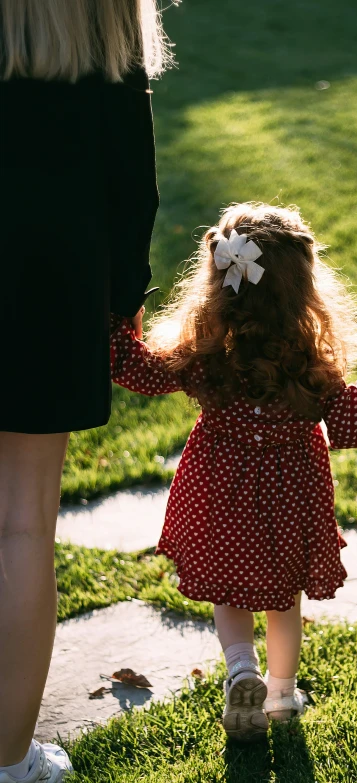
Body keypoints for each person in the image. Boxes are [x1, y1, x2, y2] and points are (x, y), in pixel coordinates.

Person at [110, 203, 357, 742]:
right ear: (302, 287)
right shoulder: (311, 361)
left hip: (220, 495)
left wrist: (118, 324)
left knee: (231, 594)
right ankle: (282, 695)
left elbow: (138, 371)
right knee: (284, 601)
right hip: (289, 502)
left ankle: (242, 672)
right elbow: (353, 428)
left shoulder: (206, 353)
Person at [0, 1, 171, 780]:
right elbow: (132, 177)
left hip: (51, 279)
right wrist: (121, 297)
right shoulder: (100, 13)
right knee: (23, 524)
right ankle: (7, 759)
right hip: (51, 280)